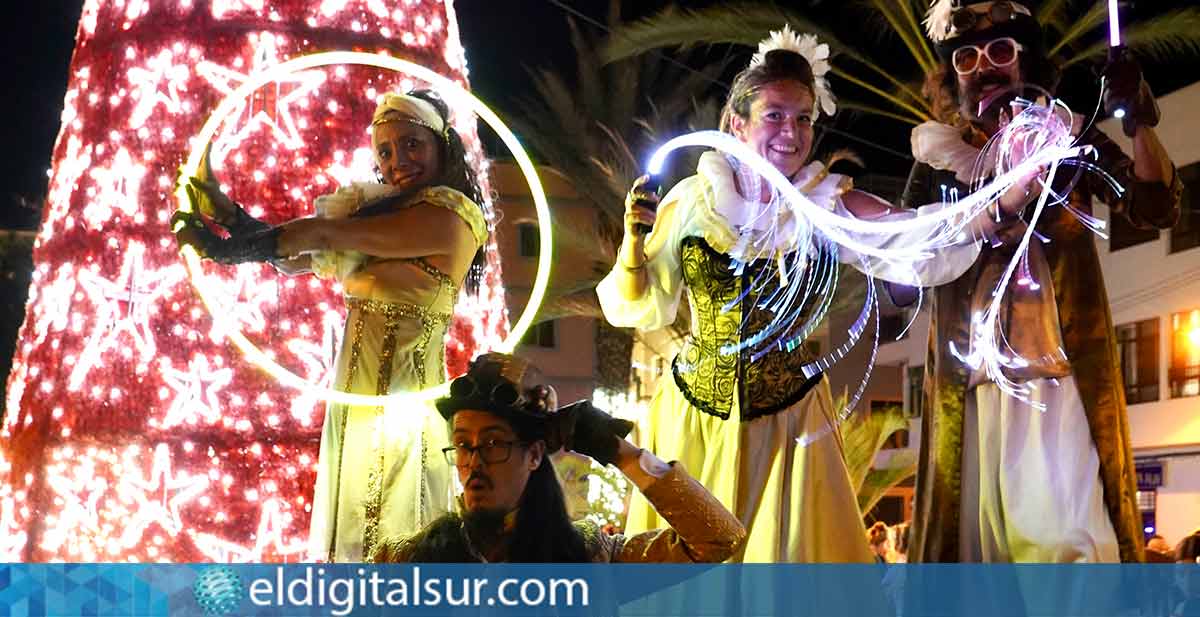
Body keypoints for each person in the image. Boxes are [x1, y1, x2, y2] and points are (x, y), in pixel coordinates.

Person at [597, 26, 986, 562]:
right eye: (774, 115)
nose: (791, 130)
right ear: (737, 123)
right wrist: (633, 246)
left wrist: (993, 205)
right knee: (686, 566)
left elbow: (910, 232)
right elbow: (641, 305)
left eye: (803, 117)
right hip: (692, 418)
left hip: (789, 423)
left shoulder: (826, 207)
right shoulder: (692, 202)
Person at [903, 1, 1182, 563]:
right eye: (967, 57)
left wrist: (1138, 117)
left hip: (1057, 381)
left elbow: (1153, 208)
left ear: (1024, 61)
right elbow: (906, 262)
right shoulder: (937, 159)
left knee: (1068, 544)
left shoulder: (1071, 143)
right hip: (974, 389)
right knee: (978, 557)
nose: (985, 66)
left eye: (1001, 51)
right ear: (953, 74)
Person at [173, 90, 490, 562]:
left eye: (411, 144)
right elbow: (298, 257)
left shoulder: (450, 214)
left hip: (403, 398)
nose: (398, 160)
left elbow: (320, 234)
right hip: (356, 400)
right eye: (384, 150)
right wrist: (226, 215)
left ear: (441, 147)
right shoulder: (385, 213)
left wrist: (225, 250)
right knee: (354, 524)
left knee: (397, 526)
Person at [369, 353, 747, 563]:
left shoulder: (589, 558)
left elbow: (717, 538)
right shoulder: (405, 561)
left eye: (493, 444)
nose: (474, 464)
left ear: (534, 455)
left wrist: (618, 450)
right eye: (463, 445)